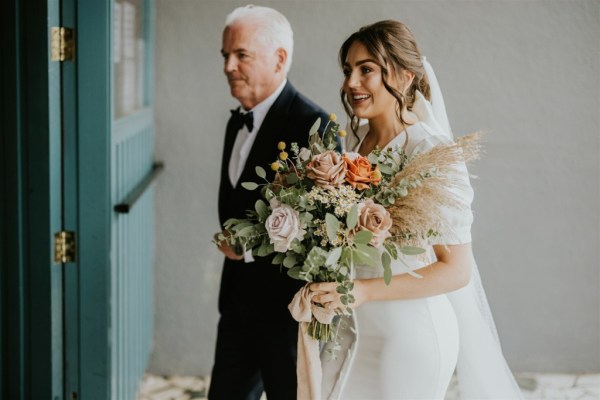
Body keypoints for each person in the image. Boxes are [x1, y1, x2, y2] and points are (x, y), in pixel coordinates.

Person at [309, 20, 524, 399]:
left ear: (405, 77)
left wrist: (364, 290)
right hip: (351, 327)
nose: (351, 83)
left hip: (408, 337)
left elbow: (456, 270)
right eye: (348, 71)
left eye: (366, 70)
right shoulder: (354, 141)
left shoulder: (431, 153)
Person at [211, 5, 328, 400]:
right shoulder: (236, 120)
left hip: (285, 311)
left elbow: (319, 229)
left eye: (241, 55)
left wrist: (244, 248)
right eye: (225, 55)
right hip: (236, 305)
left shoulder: (313, 125)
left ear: (280, 59)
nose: (228, 66)